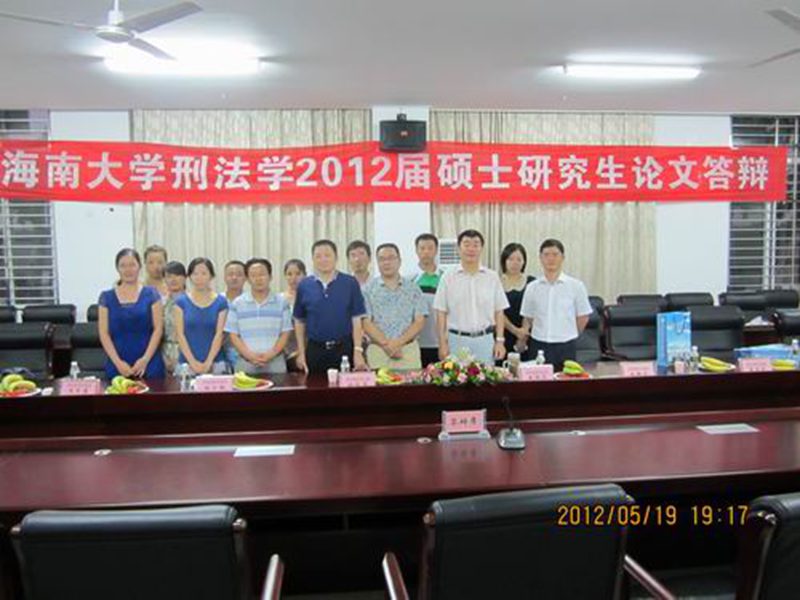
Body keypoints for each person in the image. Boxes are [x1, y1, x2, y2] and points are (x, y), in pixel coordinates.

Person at [433, 229, 508, 364]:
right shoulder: (448, 277)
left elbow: (499, 311)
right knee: (456, 377)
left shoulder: (492, 277)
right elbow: (441, 312)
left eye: (476, 245)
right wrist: (442, 343)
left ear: (482, 248)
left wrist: (500, 341)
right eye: (466, 244)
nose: (471, 249)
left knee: (487, 376)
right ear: (458, 248)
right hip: (456, 340)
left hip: (485, 340)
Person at [293, 240, 368, 374]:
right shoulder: (304, 285)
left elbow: (356, 319)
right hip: (315, 349)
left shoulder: (350, 283)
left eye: (327, 255)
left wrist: (358, 351)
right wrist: (301, 352)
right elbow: (299, 321)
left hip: (344, 349)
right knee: (315, 386)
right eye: (318, 256)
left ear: (336, 257)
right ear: (313, 260)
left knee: (345, 386)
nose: (323, 260)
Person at [519, 239, 593, 371]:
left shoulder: (576, 286)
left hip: (566, 346)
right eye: (546, 255)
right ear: (540, 258)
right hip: (539, 345)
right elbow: (528, 317)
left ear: (562, 257)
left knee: (566, 382)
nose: (551, 259)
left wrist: (569, 333)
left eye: (555, 254)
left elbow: (583, 317)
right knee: (538, 381)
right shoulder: (532, 287)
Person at [97, 248, 166, 380]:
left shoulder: (151, 294)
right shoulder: (106, 297)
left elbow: (158, 329)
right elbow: (103, 333)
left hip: (149, 363)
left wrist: (145, 359)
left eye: (132, 265)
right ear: (117, 268)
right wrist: (118, 363)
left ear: (139, 267)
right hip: (118, 364)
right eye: (123, 265)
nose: (128, 270)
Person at [363, 244, 427, 370]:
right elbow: (366, 322)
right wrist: (386, 345)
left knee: (412, 383)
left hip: (408, 350)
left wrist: (398, 343)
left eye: (391, 258)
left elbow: (420, 321)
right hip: (378, 351)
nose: (386, 262)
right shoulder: (367, 290)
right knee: (378, 383)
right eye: (382, 259)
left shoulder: (413, 289)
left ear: (399, 261)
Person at [225, 258, 293, 374]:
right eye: (253, 275)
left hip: (275, 362)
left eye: (262, 274)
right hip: (245, 362)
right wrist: (249, 355)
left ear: (270, 277)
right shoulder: (237, 303)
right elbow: (233, 335)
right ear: (247, 279)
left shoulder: (282, 303)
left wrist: (270, 354)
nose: (258, 279)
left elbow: (285, 333)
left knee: (279, 386)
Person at [174, 258, 229, 375]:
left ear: (211, 276)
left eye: (204, 273)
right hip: (187, 364)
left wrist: (208, 363)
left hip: (216, 363)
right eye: (195, 274)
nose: (199, 278)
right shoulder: (181, 302)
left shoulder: (221, 302)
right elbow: (180, 334)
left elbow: (219, 334)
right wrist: (193, 363)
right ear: (189, 277)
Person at [413, 233, 445, 367]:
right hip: (415, 342)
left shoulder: (445, 278)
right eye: (422, 248)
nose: (426, 252)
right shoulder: (409, 278)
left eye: (430, 248)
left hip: (440, 342)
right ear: (416, 250)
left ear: (436, 250)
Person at [500, 242, 536, 359]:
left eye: (519, 259)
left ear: (524, 262)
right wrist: (515, 331)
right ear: (504, 261)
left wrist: (523, 334)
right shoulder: (496, 281)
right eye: (510, 259)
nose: (515, 263)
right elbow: (497, 311)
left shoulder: (532, 282)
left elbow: (532, 309)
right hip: (503, 335)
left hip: (528, 335)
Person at [162, 261, 187, 374]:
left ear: (185, 278)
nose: (173, 279)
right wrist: (164, 358)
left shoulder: (192, 301)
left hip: (188, 354)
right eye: (169, 276)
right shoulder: (160, 303)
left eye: (177, 275)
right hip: (165, 354)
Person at [282, 259, 307, 371]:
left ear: (305, 275)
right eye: (289, 274)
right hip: (285, 351)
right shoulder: (280, 299)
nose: (293, 278)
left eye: (298, 274)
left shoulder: (310, 298)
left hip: (308, 349)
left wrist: (301, 351)